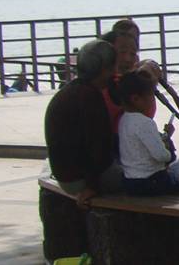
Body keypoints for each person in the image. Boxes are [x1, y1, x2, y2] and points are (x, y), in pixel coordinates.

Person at [40, 40, 123, 261]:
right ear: (105, 69)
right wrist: (92, 187)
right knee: (145, 177)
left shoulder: (71, 91)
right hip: (78, 180)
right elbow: (97, 151)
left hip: (66, 173)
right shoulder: (90, 98)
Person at [115, 69, 179, 253]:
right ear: (137, 99)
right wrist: (168, 147)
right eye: (151, 97)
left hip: (131, 181)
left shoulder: (124, 121)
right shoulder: (144, 122)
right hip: (151, 181)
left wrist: (165, 137)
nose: (153, 103)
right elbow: (162, 156)